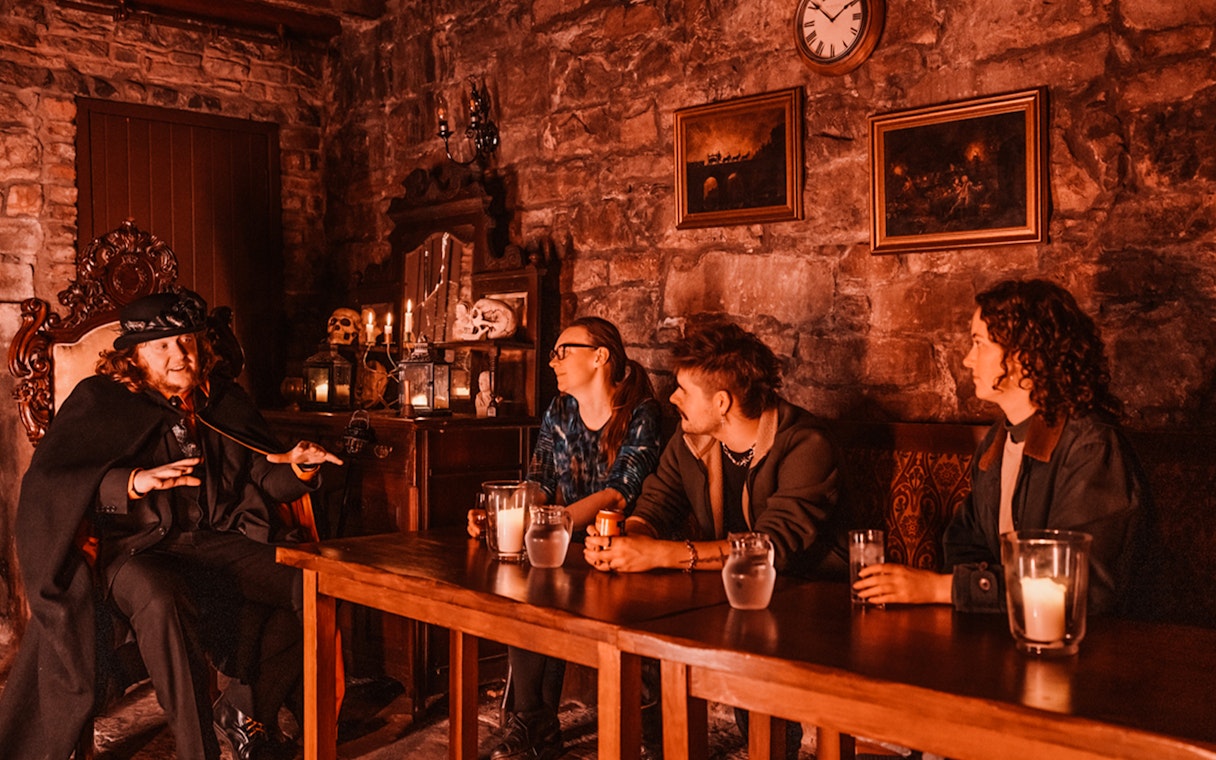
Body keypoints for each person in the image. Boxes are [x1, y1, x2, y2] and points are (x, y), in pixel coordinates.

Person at [0, 288, 343, 760]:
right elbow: (55, 484)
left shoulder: (223, 399)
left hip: (218, 540)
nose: (179, 354)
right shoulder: (101, 400)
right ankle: (197, 751)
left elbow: (262, 474)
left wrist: (299, 469)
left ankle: (245, 711)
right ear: (135, 355)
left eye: (187, 341)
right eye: (162, 345)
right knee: (162, 599)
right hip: (135, 549)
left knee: (313, 585)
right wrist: (132, 482)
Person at [584, 322, 850, 756]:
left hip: (813, 593)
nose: (672, 398)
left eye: (683, 390)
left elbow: (771, 547)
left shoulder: (806, 443)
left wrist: (662, 554)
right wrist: (623, 541)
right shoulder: (692, 437)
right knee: (636, 613)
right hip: (734, 590)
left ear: (722, 402)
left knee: (752, 633)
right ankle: (659, 747)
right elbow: (655, 504)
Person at [853, 278, 1149, 614]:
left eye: (979, 344)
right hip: (1014, 628)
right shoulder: (997, 441)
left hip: (1094, 640)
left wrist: (940, 588)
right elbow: (965, 543)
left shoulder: (1090, 447)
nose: (968, 360)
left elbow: (1083, 583)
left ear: (1026, 356)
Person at [467, 316, 662, 760]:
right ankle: (533, 722)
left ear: (600, 357)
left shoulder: (641, 412)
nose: (553, 361)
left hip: (622, 550)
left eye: (562, 351)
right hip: (565, 545)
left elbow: (620, 492)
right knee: (523, 587)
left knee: (543, 574)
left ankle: (651, 738)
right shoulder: (560, 410)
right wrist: (503, 515)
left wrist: (549, 522)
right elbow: (539, 480)